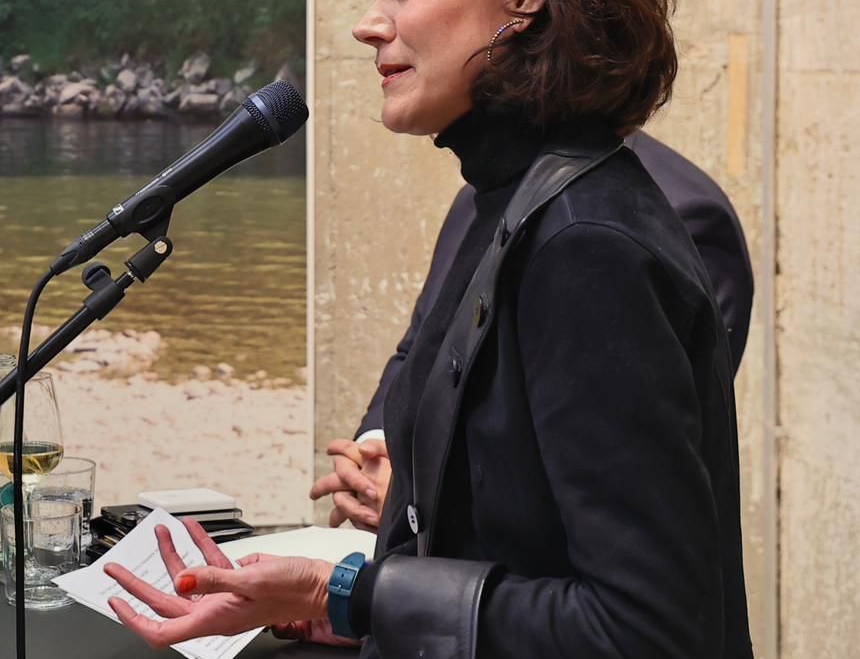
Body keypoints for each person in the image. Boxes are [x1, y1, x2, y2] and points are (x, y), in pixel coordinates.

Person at [104, 0, 778, 659]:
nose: (370, 25)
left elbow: (652, 633)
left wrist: (345, 592)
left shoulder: (588, 241)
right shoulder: (507, 200)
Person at [319, 128, 755, 532]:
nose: (372, 38)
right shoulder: (484, 191)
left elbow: (620, 464)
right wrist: (379, 451)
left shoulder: (678, 213)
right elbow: (421, 347)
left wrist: (413, 496)